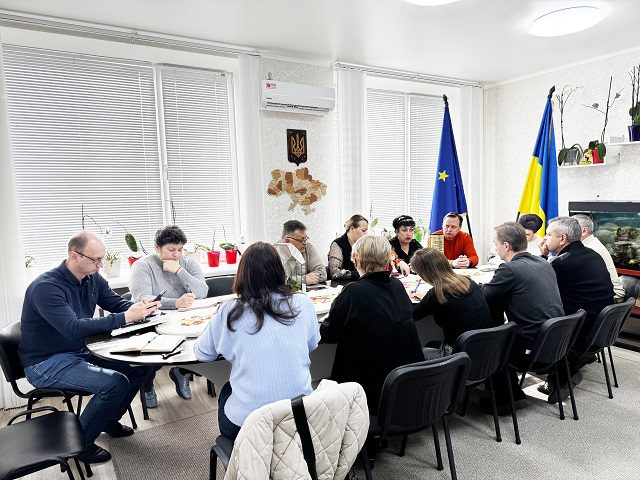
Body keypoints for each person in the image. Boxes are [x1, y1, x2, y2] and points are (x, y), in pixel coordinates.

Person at [19, 231, 158, 464]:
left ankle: (106, 420)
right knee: (114, 383)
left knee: (142, 366)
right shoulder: (46, 287)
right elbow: (72, 328)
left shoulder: (93, 278)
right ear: (74, 256)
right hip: (45, 362)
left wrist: (141, 307)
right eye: (96, 259)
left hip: (81, 351)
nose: (101, 265)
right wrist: (125, 317)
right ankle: (80, 444)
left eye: (102, 258)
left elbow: (115, 303)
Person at [194, 242, 319, 440]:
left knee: (227, 389)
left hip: (250, 425)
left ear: (242, 274)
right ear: (280, 271)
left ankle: (242, 452)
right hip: (300, 416)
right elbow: (312, 344)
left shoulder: (230, 310)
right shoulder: (303, 303)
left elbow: (203, 353)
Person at [320, 235, 424, 414]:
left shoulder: (353, 291)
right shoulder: (397, 286)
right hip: (401, 381)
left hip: (366, 384)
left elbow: (329, 334)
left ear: (356, 260)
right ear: (387, 260)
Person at [482, 222, 564, 414]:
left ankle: (507, 399)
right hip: (555, 343)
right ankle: (513, 392)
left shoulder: (509, 269)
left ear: (506, 246)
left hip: (531, 347)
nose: (495, 247)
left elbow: (484, 295)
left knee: (489, 344)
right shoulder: (543, 263)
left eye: (495, 243)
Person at [130, 225, 209, 406]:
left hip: (185, 318)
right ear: (157, 248)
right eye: (171, 250)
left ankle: (182, 372)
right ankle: (147, 385)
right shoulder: (142, 266)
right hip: (152, 319)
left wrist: (179, 271)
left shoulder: (187, 263)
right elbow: (143, 298)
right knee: (150, 353)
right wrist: (175, 303)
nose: (176, 255)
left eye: (180, 249)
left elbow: (202, 292)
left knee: (204, 340)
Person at [539, 216, 614, 402]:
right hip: (600, 327)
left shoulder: (562, 263)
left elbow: (538, 286)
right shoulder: (592, 255)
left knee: (530, 320)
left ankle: (561, 373)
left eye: (548, 235)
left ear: (562, 239)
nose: (545, 239)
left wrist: (543, 256)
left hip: (579, 331)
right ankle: (568, 370)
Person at [411, 248, 491, 358]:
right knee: (432, 344)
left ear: (424, 274)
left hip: (458, 355)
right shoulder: (467, 281)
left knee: (414, 353)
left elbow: (411, 315)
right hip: (486, 349)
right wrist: (426, 298)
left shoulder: (437, 294)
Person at [572, 214, 625, 302]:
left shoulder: (589, 248)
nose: (567, 232)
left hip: (611, 298)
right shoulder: (591, 242)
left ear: (584, 231)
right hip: (608, 295)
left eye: (571, 228)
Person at [280, 220, 327, 285]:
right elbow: (278, 282)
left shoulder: (307, 247)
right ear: (287, 241)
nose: (305, 243)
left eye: (305, 239)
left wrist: (296, 281)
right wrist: (303, 280)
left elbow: (322, 273)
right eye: (301, 240)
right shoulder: (274, 253)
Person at [327, 214, 368, 280]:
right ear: (352, 229)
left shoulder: (364, 244)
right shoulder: (337, 244)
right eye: (363, 230)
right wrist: (360, 274)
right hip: (344, 283)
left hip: (362, 281)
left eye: (366, 231)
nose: (366, 234)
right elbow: (334, 273)